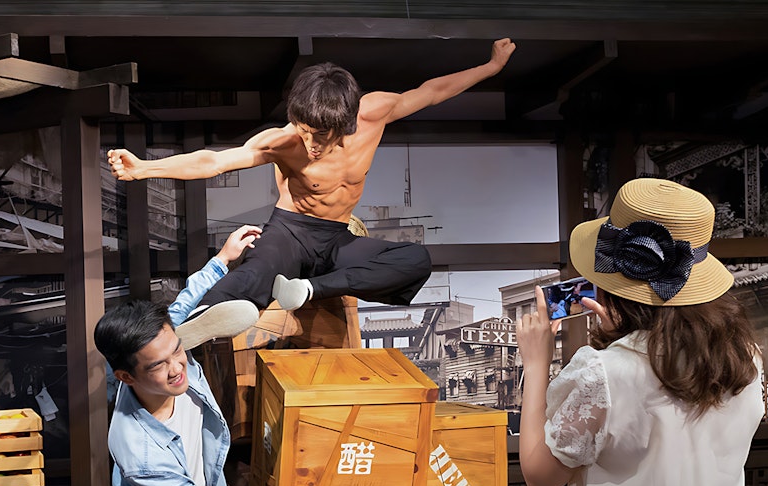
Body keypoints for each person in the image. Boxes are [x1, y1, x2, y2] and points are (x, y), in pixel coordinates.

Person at [108, 37, 517, 349]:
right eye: (303, 132)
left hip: (336, 238)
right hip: (290, 232)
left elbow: (432, 91)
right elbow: (213, 162)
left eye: (318, 136)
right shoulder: (284, 140)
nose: (309, 145)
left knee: (416, 258)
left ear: (346, 124)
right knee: (252, 274)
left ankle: (306, 290)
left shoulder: (374, 113)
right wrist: (146, 169)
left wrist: (492, 66)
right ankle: (192, 325)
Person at [515, 178, 768, 486]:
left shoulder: (604, 370)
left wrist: (536, 364)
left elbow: (539, 475)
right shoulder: (745, 356)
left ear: (616, 287)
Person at [94, 225, 376, 486]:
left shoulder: (168, 351)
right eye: (158, 365)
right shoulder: (141, 452)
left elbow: (183, 307)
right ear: (125, 377)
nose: (176, 368)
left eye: (177, 351)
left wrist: (223, 260)